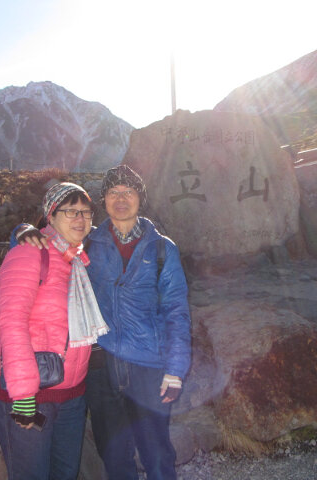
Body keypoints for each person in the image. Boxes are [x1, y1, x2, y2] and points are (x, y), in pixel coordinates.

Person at [14, 165, 191, 480]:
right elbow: (50, 237)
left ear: (141, 198)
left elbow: (176, 310)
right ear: (104, 199)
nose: (120, 199)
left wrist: (176, 368)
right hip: (101, 366)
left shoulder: (163, 248)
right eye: (113, 192)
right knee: (114, 456)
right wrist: (22, 230)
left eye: (128, 192)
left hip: (148, 365)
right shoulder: (88, 243)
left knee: (158, 455)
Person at [0, 182, 108, 480]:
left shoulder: (78, 259)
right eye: (71, 211)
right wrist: (24, 394)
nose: (80, 219)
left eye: (86, 212)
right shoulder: (30, 253)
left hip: (70, 395)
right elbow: (11, 322)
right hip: (31, 394)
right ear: (51, 216)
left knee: (64, 474)